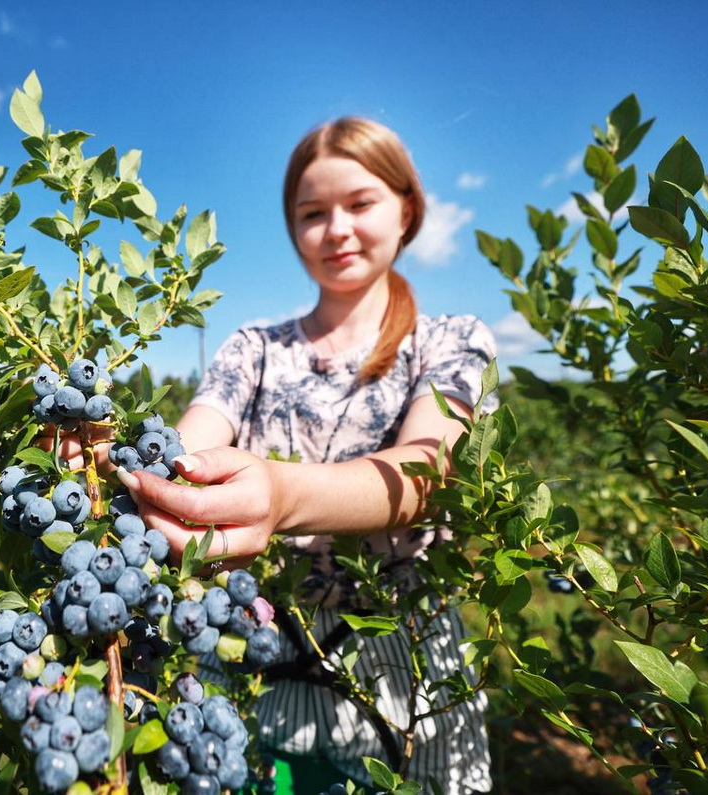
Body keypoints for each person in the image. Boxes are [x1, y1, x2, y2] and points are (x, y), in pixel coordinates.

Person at [113, 117, 496, 793]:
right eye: (312, 213)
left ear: (406, 209)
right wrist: (127, 465)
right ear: (292, 227)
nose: (337, 230)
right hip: (261, 652)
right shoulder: (254, 347)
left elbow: (425, 471)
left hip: (403, 659)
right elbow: (193, 438)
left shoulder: (452, 342)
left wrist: (281, 495)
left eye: (360, 203)